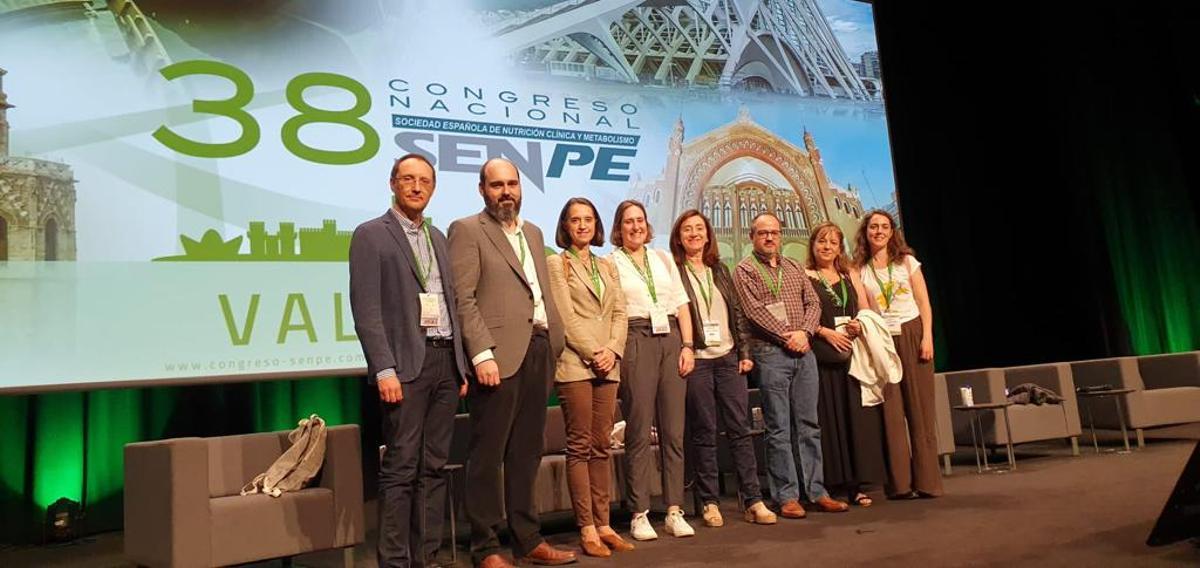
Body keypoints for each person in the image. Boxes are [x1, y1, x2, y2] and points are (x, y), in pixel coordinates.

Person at [448, 159, 576, 568]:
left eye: (512, 184)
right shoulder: (467, 230)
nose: (506, 192)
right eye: (497, 185)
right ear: (482, 189)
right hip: (496, 357)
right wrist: (480, 352)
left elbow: (537, 294)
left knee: (527, 452)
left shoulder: (534, 233)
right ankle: (485, 547)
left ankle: (527, 538)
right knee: (488, 456)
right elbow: (462, 298)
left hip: (538, 349)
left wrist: (555, 341)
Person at [349, 153, 469, 568]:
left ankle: (427, 558)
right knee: (401, 468)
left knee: (433, 468)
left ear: (433, 187)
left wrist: (461, 364)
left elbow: (451, 302)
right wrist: (383, 368)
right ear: (393, 183)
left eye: (425, 181)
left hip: (445, 363)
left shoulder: (437, 238)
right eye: (408, 179)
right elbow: (366, 310)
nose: (417, 187)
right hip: (404, 368)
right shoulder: (371, 235)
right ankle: (395, 562)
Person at [733, 213, 849, 519]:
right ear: (752, 236)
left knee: (809, 425)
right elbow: (754, 311)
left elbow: (813, 304)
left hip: (804, 353)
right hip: (771, 354)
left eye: (774, 232)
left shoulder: (794, 267)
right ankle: (787, 496)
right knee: (778, 429)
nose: (770, 237)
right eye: (763, 233)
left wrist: (805, 333)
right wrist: (789, 337)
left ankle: (817, 491)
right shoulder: (744, 270)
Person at [670, 209, 777, 527]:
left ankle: (753, 499)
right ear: (679, 236)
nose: (694, 234)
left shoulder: (720, 269)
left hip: (729, 358)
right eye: (687, 229)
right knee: (704, 432)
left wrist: (745, 351)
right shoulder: (674, 272)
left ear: (708, 234)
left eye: (699, 228)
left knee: (740, 429)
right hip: (698, 361)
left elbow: (737, 313)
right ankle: (710, 502)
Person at [544, 197, 636, 557]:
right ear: (565, 226)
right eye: (575, 220)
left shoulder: (607, 266)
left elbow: (620, 313)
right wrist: (592, 352)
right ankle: (586, 528)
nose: (582, 225)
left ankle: (604, 523)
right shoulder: (556, 264)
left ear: (597, 225)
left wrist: (612, 351)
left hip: (608, 364)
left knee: (602, 446)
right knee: (580, 446)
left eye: (588, 219)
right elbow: (564, 317)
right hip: (576, 364)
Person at [607, 199, 696, 540]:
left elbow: (682, 304)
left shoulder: (662, 258)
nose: (635, 226)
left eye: (640, 220)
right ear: (619, 227)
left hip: (671, 337)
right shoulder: (611, 262)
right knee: (639, 430)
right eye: (628, 221)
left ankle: (674, 509)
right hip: (635, 337)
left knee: (674, 431)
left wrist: (688, 346)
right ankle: (639, 512)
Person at [853, 210, 944, 499]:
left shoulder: (907, 262)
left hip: (913, 332)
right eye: (873, 227)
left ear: (892, 232)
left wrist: (927, 336)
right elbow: (864, 308)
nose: (878, 231)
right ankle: (900, 485)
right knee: (891, 414)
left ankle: (928, 482)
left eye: (884, 227)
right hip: (883, 340)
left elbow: (923, 301)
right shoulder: (860, 269)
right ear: (865, 232)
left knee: (920, 410)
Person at [804, 222, 888, 508]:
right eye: (822, 242)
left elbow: (864, 309)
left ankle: (859, 485)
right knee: (828, 419)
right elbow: (800, 315)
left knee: (856, 418)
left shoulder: (849, 273)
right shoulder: (805, 276)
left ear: (840, 248)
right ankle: (834, 485)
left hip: (852, 354)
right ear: (813, 245)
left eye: (833, 243)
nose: (827, 247)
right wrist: (824, 332)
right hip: (823, 354)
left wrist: (857, 325)